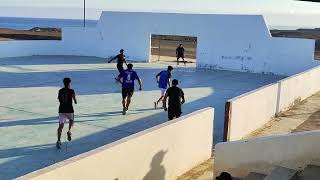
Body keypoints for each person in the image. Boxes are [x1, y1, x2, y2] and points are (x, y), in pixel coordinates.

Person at [56, 77, 77, 149]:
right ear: (69, 83)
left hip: (61, 109)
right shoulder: (72, 91)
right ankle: (69, 130)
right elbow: (75, 100)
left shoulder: (60, 91)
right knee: (71, 120)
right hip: (69, 109)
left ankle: (58, 140)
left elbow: (59, 99)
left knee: (60, 126)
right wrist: (74, 100)